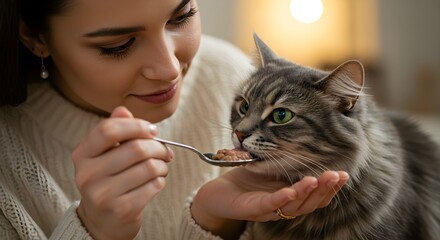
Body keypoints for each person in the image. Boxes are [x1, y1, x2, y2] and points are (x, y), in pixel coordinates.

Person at [0, 0, 349, 239]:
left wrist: (215, 221)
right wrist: (93, 229)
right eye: (118, 44)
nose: (169, 70)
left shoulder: (231, 75)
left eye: (181, 17)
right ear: (34, 36)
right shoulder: (7, 154)